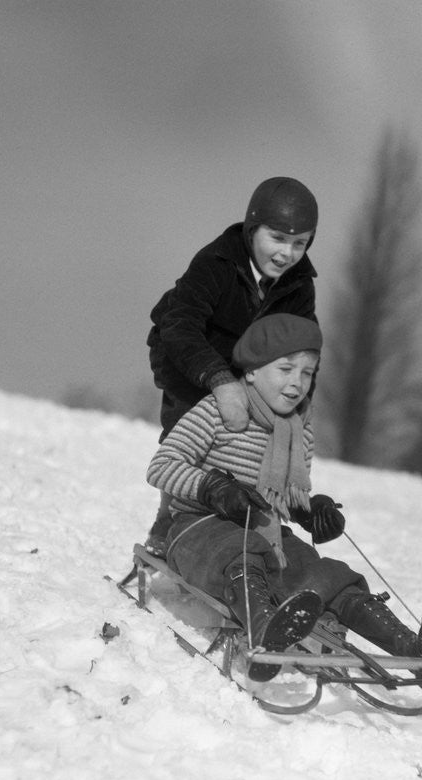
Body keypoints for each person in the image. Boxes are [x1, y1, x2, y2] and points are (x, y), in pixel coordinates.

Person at [146, 312, 422, 682]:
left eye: (307, 372)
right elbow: (161, 465)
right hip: (197, 529)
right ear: (251, 371)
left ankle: (413, 649)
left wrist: (310, 511)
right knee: (240, 552)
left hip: (265, 532)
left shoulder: (298, 431)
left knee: (325, 574)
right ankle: (264, 632)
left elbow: (284, 497)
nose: (297, 382)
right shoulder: (217, 412)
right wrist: (213, 487)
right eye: (285, 369)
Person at [144, 177, 319, 556]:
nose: (286, 253)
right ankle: (170, 516)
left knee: (252, 434)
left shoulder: (300, 284)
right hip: (189, 352)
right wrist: (220, 381)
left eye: (299, 243)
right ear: (253, 229)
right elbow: (182, 325)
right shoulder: (216, 263)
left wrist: (299, 407)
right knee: (196, 424)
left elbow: (305, 348)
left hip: (252, 364)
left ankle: (244, 510)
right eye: (277, 238)